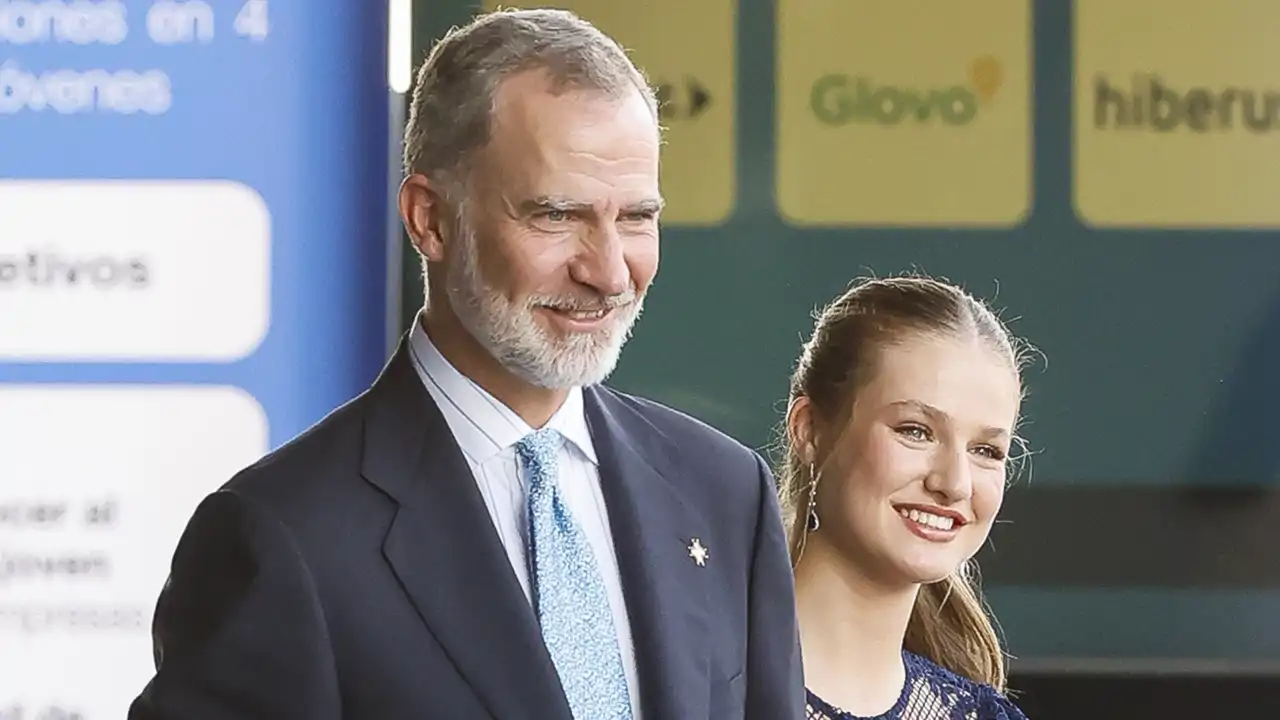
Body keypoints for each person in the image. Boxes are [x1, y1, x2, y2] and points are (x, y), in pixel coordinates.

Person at [127, 8, 803, 720]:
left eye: (635, 217)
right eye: (556, 215)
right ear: (430, 219)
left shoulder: (725, 493)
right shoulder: (279, 538)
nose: (608, 272)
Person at [777, 276, 1032, 720]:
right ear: (809, 429)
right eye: (916, 431)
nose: (955, 484)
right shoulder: (692, 683)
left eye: (986, 451)